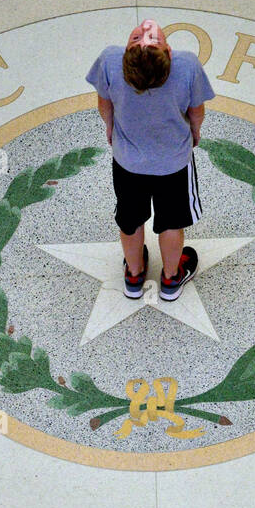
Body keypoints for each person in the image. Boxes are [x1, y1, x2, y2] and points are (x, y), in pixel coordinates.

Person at [85, 17, 215, 301]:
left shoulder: (110, 60)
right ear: (168, 53)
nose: (146, 28)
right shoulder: (187, 65)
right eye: (148, 38)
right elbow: (196, 112)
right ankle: (171, 279)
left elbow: (104, 103)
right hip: (174, 164)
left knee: (130, 221)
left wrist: (109, 127)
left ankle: (134, 274)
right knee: (171, 223)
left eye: (142, 38)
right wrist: (195, 133)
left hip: (127, 162)